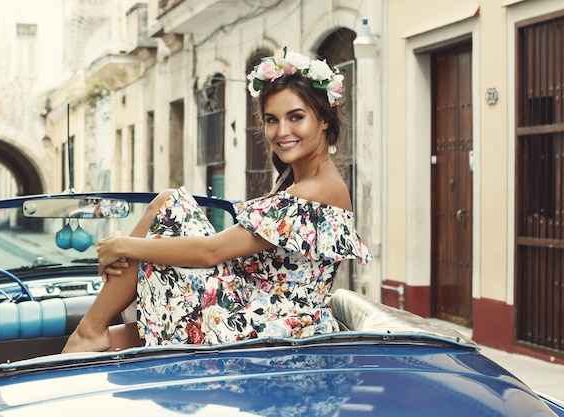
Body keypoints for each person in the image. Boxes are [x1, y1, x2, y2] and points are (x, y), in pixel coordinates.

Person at [62, 47, 371, 353]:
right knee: (132, 326)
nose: (282, 131)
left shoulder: (319, 189)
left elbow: (211, 252)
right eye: (272, 120)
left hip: (268, 328)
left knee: (168, 205)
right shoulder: (308, 184)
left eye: (296, 117)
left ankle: (90, 330)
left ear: (324, 120)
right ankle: (92, 335)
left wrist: (121, 246)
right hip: (265, 315)